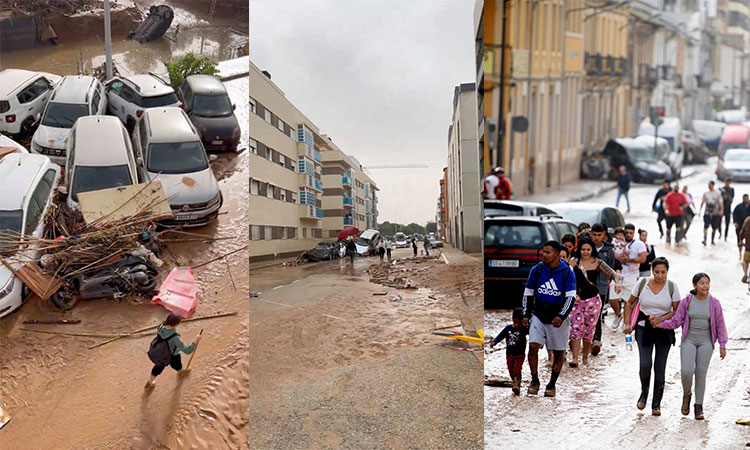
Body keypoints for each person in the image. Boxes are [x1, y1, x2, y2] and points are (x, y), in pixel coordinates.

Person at [657, 273, 728, 420]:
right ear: (694, 285)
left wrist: (722, 344)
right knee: (686, 372)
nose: (705, 286)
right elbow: (676, 321)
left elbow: (720, 324)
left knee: (701, 373)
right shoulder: (687, 301)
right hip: (688, 340)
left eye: (707, 283)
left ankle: (698, 407)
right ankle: (687, 394)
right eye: (702, 283)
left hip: (706, 342)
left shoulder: (714, 303)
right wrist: (659, 324)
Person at [623, 257, 681, 416]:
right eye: (657, 272)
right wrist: (627, 324)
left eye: (663, 272)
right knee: (645, 364)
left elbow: (677, 310)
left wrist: (661, 319)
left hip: (664, 329)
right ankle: (644, 392)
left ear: (667, 272)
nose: (660, 275)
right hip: (644, 327)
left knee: (660, 367)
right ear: (651, 271)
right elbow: (629, 303)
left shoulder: (672, 286)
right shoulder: (642, 283)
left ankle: (656, 403)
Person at [522, 240, 576, 398]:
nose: (544, 255)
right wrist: (526, 315)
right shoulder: (537, 270)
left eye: (548, 252)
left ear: (558, 254)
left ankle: (551, 384)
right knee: (532, 347)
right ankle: (534, 380)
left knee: (559, 354)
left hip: (558, 318)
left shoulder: (567, 272)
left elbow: (570, 298)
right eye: (543, 252)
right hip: (539, 315)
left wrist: (561, 316)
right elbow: (528, 294)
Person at [567, 238, 622, 367]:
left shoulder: (597, 262)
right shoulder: (573, 262)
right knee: (575, 328)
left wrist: (617, 283)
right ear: (579, 250)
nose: (585, 252)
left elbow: (612, 273)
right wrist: (571, 293)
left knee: (588, 330)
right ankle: (575, 358)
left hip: (593, 300)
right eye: (583, 249)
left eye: (588, 249)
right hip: (577, 300)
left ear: (592, 250)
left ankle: (585, 358)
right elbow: (566, 278)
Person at [144, 313, 201, 390]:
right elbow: (187, 350)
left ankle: (150, 383)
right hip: (172, 355)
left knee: (157, 368)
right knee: (176, 364)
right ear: (177, 324)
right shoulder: (175, 338)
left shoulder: (161, 327)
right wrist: (196, 341)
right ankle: (181, 372)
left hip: (160, 352)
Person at [589, 223, 620, 355]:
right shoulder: (586, 249)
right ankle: (583, 341)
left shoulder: (608, 251)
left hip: (601, 289)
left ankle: (596, 340)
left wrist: (615, 282)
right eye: (594, 235)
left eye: (599, 235)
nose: (596, 238)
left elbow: (611, 269)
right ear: (591, 234)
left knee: (597, 314)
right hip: (584, 289)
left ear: (604, 235)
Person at [615, 224, 649, 329]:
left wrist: (627, 260)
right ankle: (617, 315)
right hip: (618, 275)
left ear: (634, 233)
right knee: (613, 299)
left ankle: (626, 323)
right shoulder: (618, 242)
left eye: (631, 233)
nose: (628, 235)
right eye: (627, 233)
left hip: (632, 276)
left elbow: (643, 259)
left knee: (627, 301)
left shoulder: (639, 244)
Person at [490, 307, 528, 395]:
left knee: (517, 369)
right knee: (511, 370)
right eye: (515, 322)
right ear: (512, 320)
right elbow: (501, 335)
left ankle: (516, 385)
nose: (517, 325)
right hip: (509, 354)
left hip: (520, 355)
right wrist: (494, 342)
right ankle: (516, 382)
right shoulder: (508, 328)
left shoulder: (524, 330)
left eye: (519, 323)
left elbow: (534, 333)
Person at [699, 181, 723, 246]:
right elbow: (702, 202)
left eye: (710, 185)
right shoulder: (706, 193)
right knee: (706, 226)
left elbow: (721, 202)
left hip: (715, 212)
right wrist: (700, 211)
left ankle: (712, 240)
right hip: (707, 212)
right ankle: (705, 239)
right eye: (708, 185)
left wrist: (721, 210)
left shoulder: (718, 193)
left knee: (714, 227)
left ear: (713, 185)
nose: (709, 186)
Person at [733, 194, 750, 259]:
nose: (746, 199)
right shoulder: (738, 206)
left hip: (749, 227)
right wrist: (735, 222)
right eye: (744, 198)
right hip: (740, 225)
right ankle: (740, 254)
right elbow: (734, 214)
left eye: (747, 198)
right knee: (739, 240)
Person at [738, 216, 750, 283]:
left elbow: (742, 232)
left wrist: (741, 240)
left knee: (745, 261)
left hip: (748, 247)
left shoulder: (748, 220)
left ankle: (745, 274)